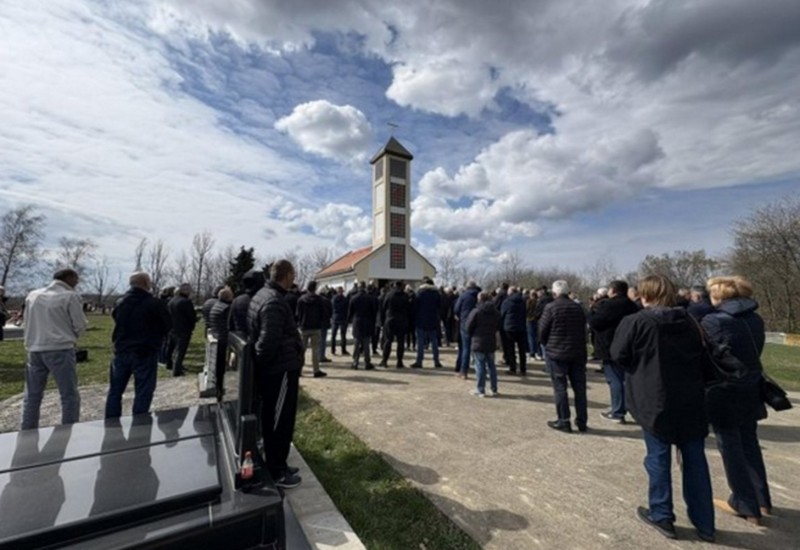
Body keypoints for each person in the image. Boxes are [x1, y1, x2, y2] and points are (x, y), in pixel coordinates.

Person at [611, 274, 714, 542]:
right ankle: (705, 523)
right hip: (690, 397)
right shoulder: (691, 321)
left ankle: (662, 514)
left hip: (654, 397)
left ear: (645, 295)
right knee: (695, 460)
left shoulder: (637, 322)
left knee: (658, 457)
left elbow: (619, 354)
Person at [702, 276, 771, 525]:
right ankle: (762, 499)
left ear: (720, 298)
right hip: (752, 385)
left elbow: (709, 355)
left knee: (729, 445)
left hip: (726, 388)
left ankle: (745, 502)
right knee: (749, 442)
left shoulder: (714, 321)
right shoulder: (755, 319)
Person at [248, 260, 303, 489]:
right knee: (278, 420)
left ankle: (279, 462)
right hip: (278, 370)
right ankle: (277, 471)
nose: (294, 278)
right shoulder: (272, 301)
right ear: (287, 275)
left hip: (279, 367)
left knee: (278, 417)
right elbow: (267, 342)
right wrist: (265, 367)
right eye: (293, 274)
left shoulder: (266, 294)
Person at [21, 268, 87, 429]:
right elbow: (80, 324)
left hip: (35, 348)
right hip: (60, 348)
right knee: (68, 394)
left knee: (32, 395)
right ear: (69, 278)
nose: (77, 283)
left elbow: (26, 320)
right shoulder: (70, 296)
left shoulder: (33, 295)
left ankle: (27, 429)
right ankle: (69, 428)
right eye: (76, 279)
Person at [105, 272, 171, 418]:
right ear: (147, 284)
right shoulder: (154, 303)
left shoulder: (120, 302)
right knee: (143, 391)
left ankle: (111, 422)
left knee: (115, 391)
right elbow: (167, 325)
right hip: (144, 351)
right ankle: (139, 424)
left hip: (121, 350)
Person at [538, 280, 588, 433]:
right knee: (579, 388)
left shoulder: (551, 307)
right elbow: (584, 330)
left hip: (557, 352)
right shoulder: (578, 308)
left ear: (554, 293)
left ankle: (564, 420)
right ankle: (582, 421)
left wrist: (545, 344)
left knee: (560, 388)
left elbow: (542, 330)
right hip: (577, 352)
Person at [587, 280, 639, 423]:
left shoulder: (609, 305)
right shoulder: (632, 306)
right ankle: (626, 407)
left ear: (613, 290)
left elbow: (595, 322)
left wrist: (591, 311)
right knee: (625, 379)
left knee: (614, 379)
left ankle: (617, 411)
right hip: (629, 346)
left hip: (610, 345)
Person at [466, 291, 501, 397]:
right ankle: (494, 388)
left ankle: (480, 389)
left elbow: (468, 326)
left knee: (480, 366)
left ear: (479, 299)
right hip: (490, 340)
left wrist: (472, 334)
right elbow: (498, 326)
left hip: (478, 340)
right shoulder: (495, 312)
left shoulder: (476, 311)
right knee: (491, 366)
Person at [295, 280, 327, 378]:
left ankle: (299, 370)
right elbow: (323, 313)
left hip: (304, 327)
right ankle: (316, 370)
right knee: (315, 350)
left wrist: (299, 323)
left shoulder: (301, 299)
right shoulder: (319, 299)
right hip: (315, 327)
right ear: (315, 288)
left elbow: (297, 314)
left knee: (302, 351)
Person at [410, 277, 443, 369]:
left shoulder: (420, 293)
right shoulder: (436, 294)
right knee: (434, 341)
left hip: (421, 320)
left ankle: (419, 361)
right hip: (433, 320)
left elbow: (415, 307)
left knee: (420, 341)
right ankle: (436, 361)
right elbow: (439, 306)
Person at [208, 286, 234, 399]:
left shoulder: (216, 306)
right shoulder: (226, 308)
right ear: (228, 297)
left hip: (217, 335)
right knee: (223, 367)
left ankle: (219, 387)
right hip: (224, 339)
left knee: (219, 367)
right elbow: (231, 324)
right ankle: (220, 389)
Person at [166, 283, 196, 377]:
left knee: (171, 348)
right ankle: (177, 370)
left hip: (172, 328)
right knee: (180, 351)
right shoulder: (186, 302)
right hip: (183, 329)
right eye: (188, 290)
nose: (190, 292)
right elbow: (191, 316)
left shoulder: (171, 301)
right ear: (184, 291)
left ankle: (170, 364)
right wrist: (192, 326)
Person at [380, 281, 410, 368]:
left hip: (390, 319)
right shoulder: (405, 296)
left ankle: (384, 360)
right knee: (400, 342)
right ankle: (399, 361)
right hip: (402, 320)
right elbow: (408, 309)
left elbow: (384, 307)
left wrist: (383, 320)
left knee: (388, 341)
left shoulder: (389, 295)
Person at [453, 281, 480, 378]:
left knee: (465, 347)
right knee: (478, 348)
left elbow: (456, 309)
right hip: (478, 323)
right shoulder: (479, 296)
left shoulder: (463, 296)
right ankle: (480, 370)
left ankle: (463, 370)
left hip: (465, 322)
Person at [347, 281, 376, 370]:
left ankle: (355, 362)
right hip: (367, 321)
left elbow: (350, 312)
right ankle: (367, 362)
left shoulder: (353, 298)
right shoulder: (370, 298)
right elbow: (373, 311)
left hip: (357, 321)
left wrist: (349, 321)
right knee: (366, 343)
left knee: (356, 342)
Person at [500, 286, 527, 375]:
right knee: (521, 349)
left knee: (511, 349)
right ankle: (523, 368)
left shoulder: (507, 302)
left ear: (510, 292)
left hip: (509, 327)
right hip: (521, 326)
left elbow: (502, 314)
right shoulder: (522, 301)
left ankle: (513, 367)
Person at [229, 269, 265, 336]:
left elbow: (230, 325)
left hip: (240, 340)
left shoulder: (236, 300)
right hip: (257, 342)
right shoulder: (264, 301)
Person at [330, 286, 349, 355]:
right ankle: (343, 350)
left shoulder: (333, 299)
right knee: (343, 335)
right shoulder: (345, 299)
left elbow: (331, 308)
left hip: (335, 318)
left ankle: (333, 350)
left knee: (333, 335)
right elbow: (347, 309)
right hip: (343, 318)